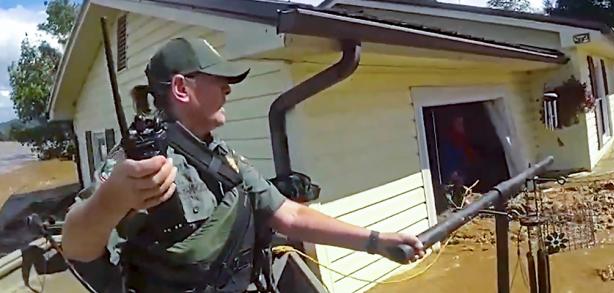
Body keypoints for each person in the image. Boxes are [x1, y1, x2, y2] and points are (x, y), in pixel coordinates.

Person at [61, 38, 425, 292]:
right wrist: (111, 198)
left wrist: (376, 242)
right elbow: (75, 246)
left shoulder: (225, 157)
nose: (228, 90)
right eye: (219, 81)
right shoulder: (136, 161)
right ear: (182, 89)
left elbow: (289, 216)